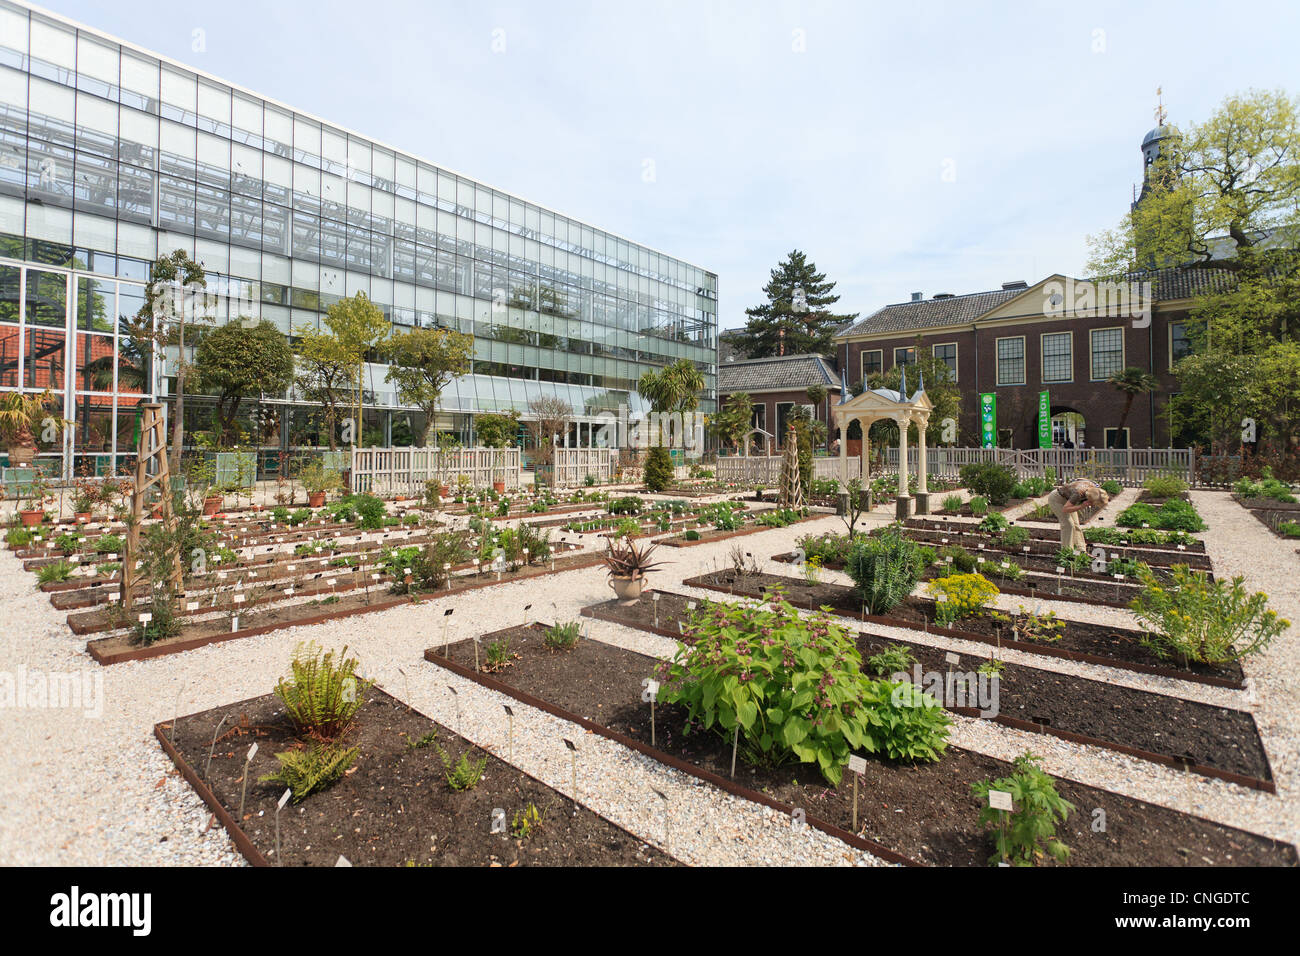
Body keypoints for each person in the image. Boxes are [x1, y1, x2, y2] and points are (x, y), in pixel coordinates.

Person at [1047, 478, 1109, 550]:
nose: (1093, 506)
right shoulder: (1077, 494)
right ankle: (1067, 552)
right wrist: (1081, 506)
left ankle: (1081, 550)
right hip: (1057, 499)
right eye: (1094, 503)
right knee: (1068, 525)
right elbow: (1065, 509)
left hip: (1068, 499)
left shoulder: (1096, 489)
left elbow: (1079, 479)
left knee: (1076, 525)